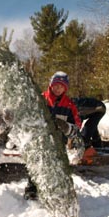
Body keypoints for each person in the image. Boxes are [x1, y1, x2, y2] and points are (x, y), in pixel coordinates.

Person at [24, 71, 83, 200]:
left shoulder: (69, 105)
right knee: (36, 162)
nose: (58, 89)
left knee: (57, 166)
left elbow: (77, 126)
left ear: (65, 88)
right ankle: (31, 188)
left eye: (61, 86)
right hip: (39, 139)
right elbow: (29, 117)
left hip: (58, 142)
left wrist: (67, 128)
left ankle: (55, 191)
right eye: (56, 85)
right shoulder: (40, 99)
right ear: (51, 85)